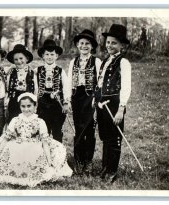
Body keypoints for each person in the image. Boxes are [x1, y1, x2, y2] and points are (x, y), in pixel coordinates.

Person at [0, 92, 73, 187]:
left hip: (34, 147)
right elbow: (5, 139)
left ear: (35, 107)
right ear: (20, 107)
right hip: (17, 145)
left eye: (29, 106)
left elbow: (45, 142)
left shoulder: (40, 121)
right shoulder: (15, 120)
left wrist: (49, 159)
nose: (26, 109)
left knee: (35, 158)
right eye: (23, 106)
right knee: (10, 156)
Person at [94, 24, 131, 183]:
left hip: (115, 104)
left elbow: (126, 86)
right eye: (108, 42)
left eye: (114, 43)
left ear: (122, 45)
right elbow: (100, 84)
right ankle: (105, 166)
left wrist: (121, 109)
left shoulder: (123, 62)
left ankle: (112, 170)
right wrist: (96, 104)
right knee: (105, 136)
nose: (110, 45)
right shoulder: (105, 61)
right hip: (102, 104)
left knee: (114, 137)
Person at [67, 29, 102, 175]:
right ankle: (79, 160)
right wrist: (68, 99)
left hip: (90, 97)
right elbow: (69, 81)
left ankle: (88, 161)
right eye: (81, 43)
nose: (84, 46)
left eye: (87, 43)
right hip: (77, 97)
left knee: (89, 129)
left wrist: (96, 97)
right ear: (77, 45)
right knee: (78, 129)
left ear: (92, 46)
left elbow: (100, 81)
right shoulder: (73, 61)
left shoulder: (97, 61)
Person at [36, 39, 70, 143]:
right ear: (43, 56)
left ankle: (57, 155)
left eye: (52, 54)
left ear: (56, 56)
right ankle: (43, 154)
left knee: (57, 130)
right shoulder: (37, 70)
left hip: (57, 103)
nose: (49, 57)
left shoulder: (60, 71)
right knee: (43, 130)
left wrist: (66, 103)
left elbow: (66, 87)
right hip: (42, 103)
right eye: (47, 54)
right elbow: (35, 87)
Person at [5, 44, 38, 123]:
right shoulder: (10, 72)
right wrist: (10, 67)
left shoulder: (32, 73)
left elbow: (36, 90)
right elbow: (7, 87)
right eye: (16, 59)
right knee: (13, 122)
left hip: (28, 102)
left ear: (26, 58)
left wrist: (35, 104)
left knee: (27, 123)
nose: (19, 61)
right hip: (14, 102)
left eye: (21, 58)